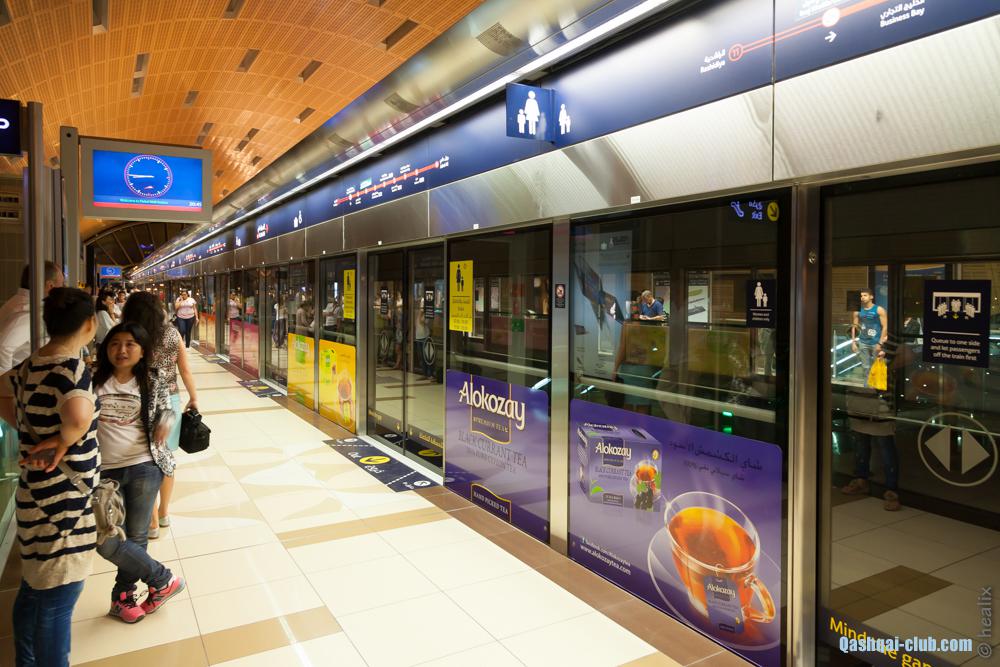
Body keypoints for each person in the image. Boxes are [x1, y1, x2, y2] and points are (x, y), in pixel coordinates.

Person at [0, 288, 98, 666]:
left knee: (34, 590)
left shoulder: (29, 366)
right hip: (63, 506)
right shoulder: (71, 368)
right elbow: (78, 414)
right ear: (89, 324)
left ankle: (25, 661)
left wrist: (29, 430)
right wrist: (64, 438)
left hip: (34, 495)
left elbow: (1, 390)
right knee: (57, 602)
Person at [92, 322, 186, 622]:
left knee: (136, 536)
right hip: (103, 472)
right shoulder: (93, 379)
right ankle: (162, 579)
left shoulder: (152, 379)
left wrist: (165, 423)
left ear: (142, 350)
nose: (121, 350)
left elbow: (167, 410)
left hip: (144, 465)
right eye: (115, 343)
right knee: (106, 539)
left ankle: (122, 597)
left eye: (130, 344)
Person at [121, 292, 198, 538]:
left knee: (145, 458)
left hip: (139, 400)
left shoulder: (130, 337)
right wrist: (194, 398)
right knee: (165, 457)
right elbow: (185, 370)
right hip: (170, 401)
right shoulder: (172, 333)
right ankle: (164, 512)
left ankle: (152, 520)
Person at [841, 386, 900, 511]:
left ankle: (891, 490)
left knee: (885, 447)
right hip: (857, 401)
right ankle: (862, 480)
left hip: (879, 402)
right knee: (861, 444)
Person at [0, 261, 64, 373]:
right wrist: (6, 378)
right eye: (62, 284)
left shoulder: (17, 302)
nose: (63, 289)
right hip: (19, 377)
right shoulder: (31, 311)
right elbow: (3, 346)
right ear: (50, 286)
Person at [851, 287, 887, 385]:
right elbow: (854, 326)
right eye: (861, 296)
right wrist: (853, 342)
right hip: (863, 341)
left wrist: (880, 343)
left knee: (878, 365)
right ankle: (867, 386)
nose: (862, 297)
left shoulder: (879, 309)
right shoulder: (857, 310)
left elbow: (885, 327)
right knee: (865, 367)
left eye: (865, 295)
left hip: (876, 342)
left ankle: (878, 387)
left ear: (871, 297)